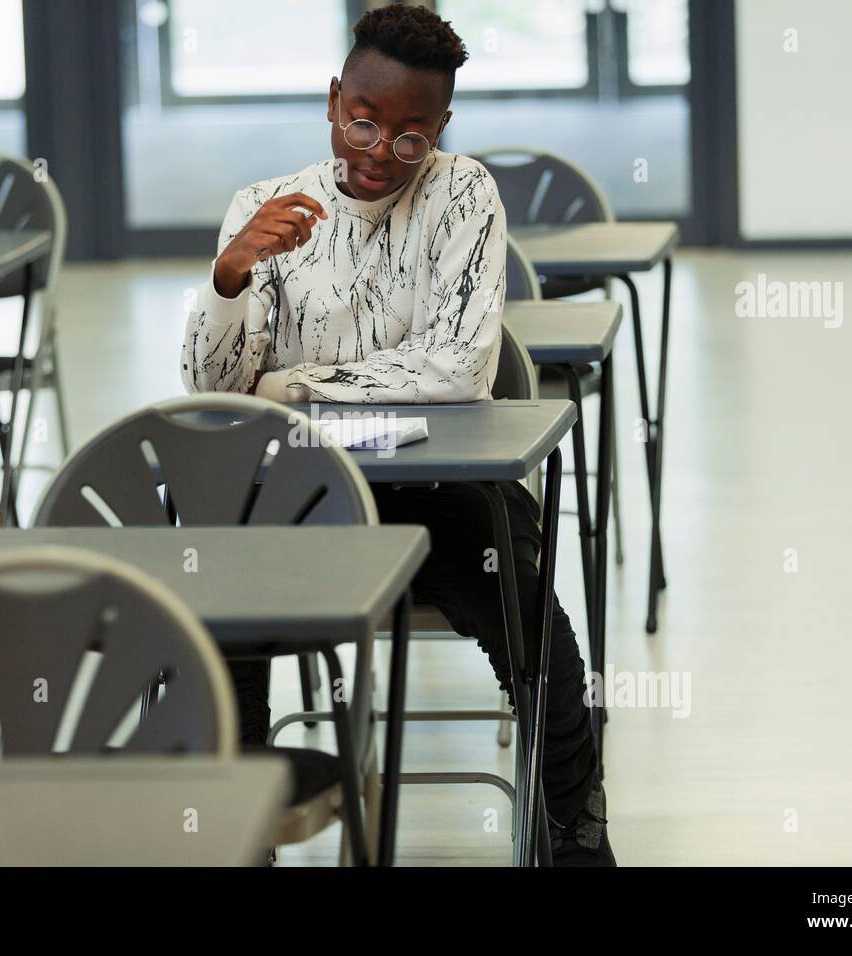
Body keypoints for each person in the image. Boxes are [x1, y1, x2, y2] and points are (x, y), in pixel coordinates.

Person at [181, 4, 612, 865]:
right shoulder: (263, 208)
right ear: (334, 100)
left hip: (439, 497)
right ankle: (239, 831)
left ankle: (574, 832)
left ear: (441, 129)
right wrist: (230, 279)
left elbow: (457, 370)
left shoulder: (464, 195)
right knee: (210, 607)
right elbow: (214, 392)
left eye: (411, 136)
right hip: (296, 496)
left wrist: (294, 384)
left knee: (535, 624)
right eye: (364, 123)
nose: (381, 152)